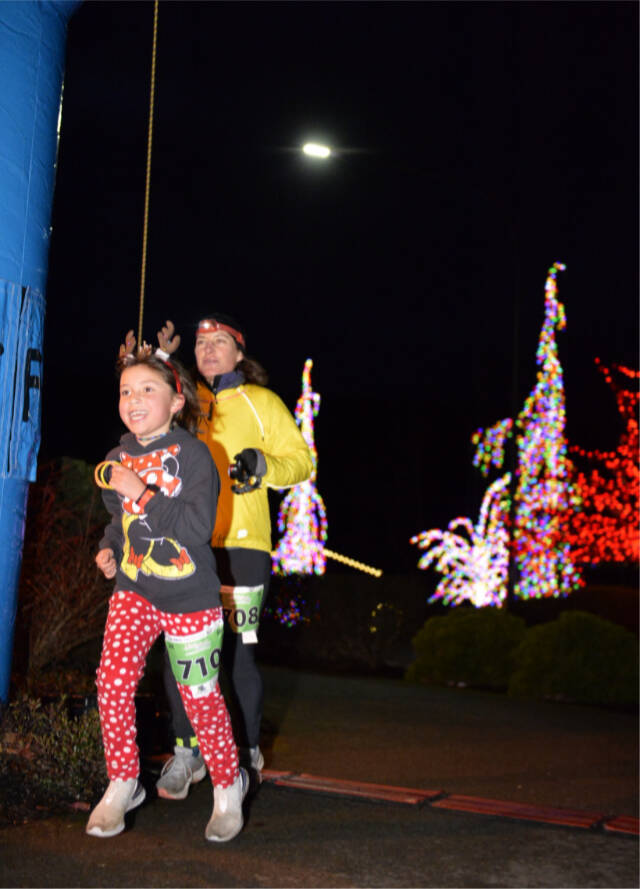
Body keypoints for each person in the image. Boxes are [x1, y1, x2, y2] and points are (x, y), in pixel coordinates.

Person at [87, 331, 247, 842]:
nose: (133, 400)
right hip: (134, 592)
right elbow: (120, 520)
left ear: (177, 400)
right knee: (111, 683)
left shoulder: (198, 455)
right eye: (125, 391)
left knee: (200, 699)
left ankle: (227, 786)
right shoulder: (117, 455)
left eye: (147, 390)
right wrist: (109, 547)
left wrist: (143, 491)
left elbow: (198, 529)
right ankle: (123, 782)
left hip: (190, 600)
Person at [156, 313, 313, 800]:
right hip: (192, 544)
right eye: (201, 342)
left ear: (239, 353)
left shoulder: (262, 401)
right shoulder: (190, 402)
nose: (207, 349)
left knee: (239, 655)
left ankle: (245, 753)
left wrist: (264, 465)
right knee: (178, 653)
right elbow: (153, 402)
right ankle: (187, 753)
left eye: (218, 341)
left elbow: (302, 462)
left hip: (245, 547)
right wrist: (160, 358)